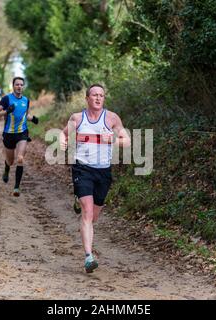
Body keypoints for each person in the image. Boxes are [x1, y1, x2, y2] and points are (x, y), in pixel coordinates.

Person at [60, 84, 131, 273]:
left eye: (101, 95)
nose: (98, 98)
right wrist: (62, 141)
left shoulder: (111, 118)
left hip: (103, 172)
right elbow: (63, 134)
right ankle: (88, 256)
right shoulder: (77, 118)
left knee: (93, 217)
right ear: (87, 98)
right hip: (82, 169)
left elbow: (127, 140)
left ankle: (83, 216)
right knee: (87, 212)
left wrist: (114, 140)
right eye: (94, 95)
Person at [0, 77, 39, 197]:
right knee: (10, 161)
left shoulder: (26, 100)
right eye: (17, 84)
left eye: (21, 85)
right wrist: (6, 111)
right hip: (8, 134)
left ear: (23, 86)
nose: (19, 86)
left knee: (20, 158)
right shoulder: (6, 99)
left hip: (22, 133)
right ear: (13, 86)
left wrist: (33, 118)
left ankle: (16, 187)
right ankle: (6, 169)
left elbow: (26, 114)